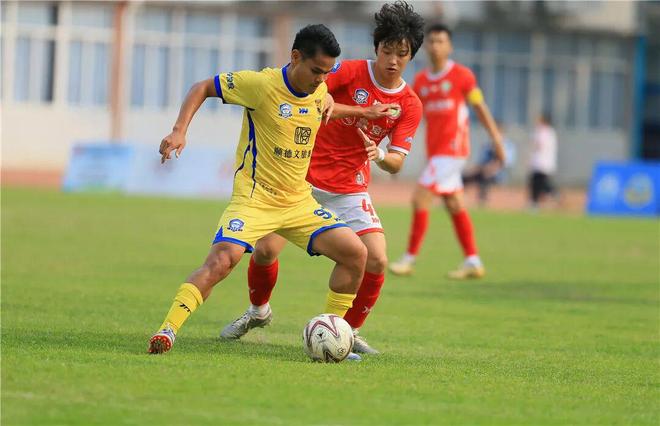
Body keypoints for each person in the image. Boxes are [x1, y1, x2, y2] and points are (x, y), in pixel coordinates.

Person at [148, 24, 373, 354]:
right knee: (222, 261)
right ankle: (168, 329)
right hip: (255, 199)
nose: (322, 80)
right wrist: (179, 130)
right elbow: (202, 87)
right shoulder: (261, 85)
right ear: (295, 57)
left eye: (327, 73)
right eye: (316, 71)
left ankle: (333, 334)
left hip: (298, 201)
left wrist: (362, 111)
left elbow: (325, 104)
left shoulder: (319, 89)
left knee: (356, 254)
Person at [219, 1, 425, 355]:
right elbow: (315, 89)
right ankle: (258, 311)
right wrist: (332, 100)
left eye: (401, 54)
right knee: (265, 250)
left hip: (349, 188)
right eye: (387, 50)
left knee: (376, 258)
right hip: (303, 179)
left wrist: (380, 157)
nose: (392, 60)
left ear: (411, 56)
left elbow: (396, 163)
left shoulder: (409, 104)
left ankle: (347, 331)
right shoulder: (351, 71)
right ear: (377, 47)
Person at [390, 23, 504, 280]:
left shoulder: (462, 76)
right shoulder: (421, 82)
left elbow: (479, 107)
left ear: (450, 46)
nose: (435, 46)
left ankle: (408, 259)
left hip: (453, 150)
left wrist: (496, 139)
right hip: (436, 153)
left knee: (420, 197)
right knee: (454, 203)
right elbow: (410, 114)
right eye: (431, 42)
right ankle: (473, 260)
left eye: (440, 41)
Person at [462, 123, 516, 205]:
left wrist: (491, 168)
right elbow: (481, 163)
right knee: (465, 176)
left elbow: (506, 163)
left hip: (498, 174)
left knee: (486, 175)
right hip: (483, 170)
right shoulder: (487, 146)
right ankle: (462, 196)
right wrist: (474, 170)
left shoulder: (508, 146)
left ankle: (483, 200)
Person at [528, 113, 558, 209]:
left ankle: (535, 202)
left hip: (541, 162)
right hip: (544, 162)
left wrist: (532, 148)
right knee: (541, 183)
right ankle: (552, 194)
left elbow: (539, 145)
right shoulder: (551, 132)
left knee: (538, 183)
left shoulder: (543, 132)